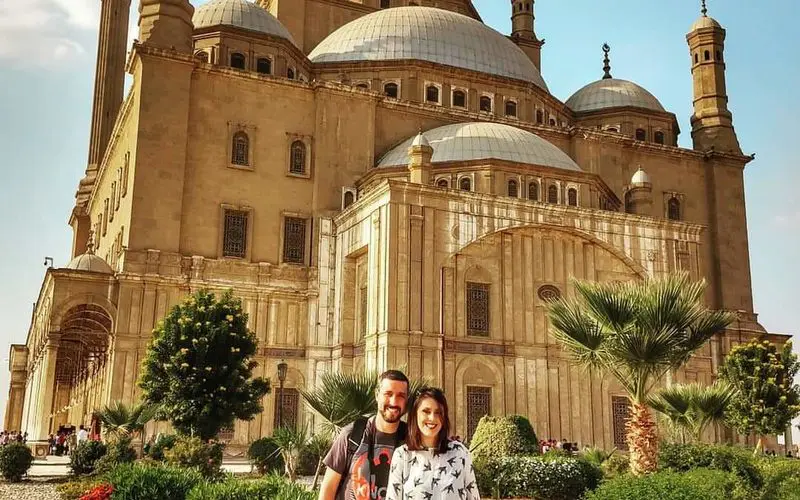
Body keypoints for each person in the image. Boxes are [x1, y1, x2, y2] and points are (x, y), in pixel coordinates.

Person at [319, 370, 410, 500]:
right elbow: (328, 488)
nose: (394, 402)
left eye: (401, 395)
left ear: (406, 399)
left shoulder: (411, 439)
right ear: (377, 395)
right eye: (388, 394)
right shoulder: (353, 434)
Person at [386, 387, 479, 500]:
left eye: (438, 412)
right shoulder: (403, 455)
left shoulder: (459, 453)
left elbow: (473, 496)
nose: (432, 418)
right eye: (426, 411)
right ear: (415, 415)